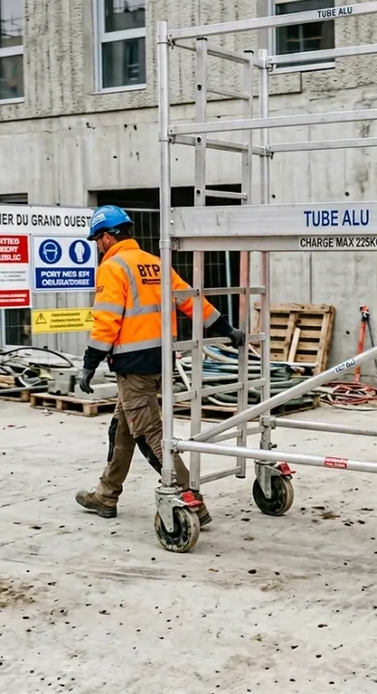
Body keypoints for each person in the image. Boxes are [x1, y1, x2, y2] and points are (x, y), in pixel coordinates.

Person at [74, 205, 246, 525]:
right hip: (160, 361)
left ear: (108, 237)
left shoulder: (112, 267)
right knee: (122, 429)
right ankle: (106, 495)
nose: (97, 245)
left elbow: (106, 321)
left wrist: (89, 363)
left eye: (97, 239)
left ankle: (190, 499)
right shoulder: (155, 263)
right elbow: (191, 300)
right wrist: (226, 329)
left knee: (150, 435)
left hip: (134, 366)